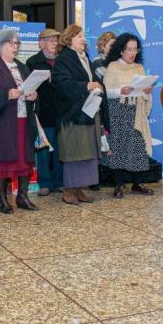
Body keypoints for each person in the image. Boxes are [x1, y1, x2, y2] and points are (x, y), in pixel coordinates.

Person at [0, 29, 39, 213]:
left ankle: (22, 196)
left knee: (24, 157)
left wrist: (34, 95)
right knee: (2, 160)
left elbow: (32, 87)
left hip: (23, 119)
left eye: (17, 44)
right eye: (12, 43)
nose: (16, 47)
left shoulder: (22, 66)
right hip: (3, 120)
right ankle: (2, 199)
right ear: (1, 44)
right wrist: (6, 94)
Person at [52, 24, 103, 204]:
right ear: (69, 39)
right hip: (71, 114)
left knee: (87, 151)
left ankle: (80, 189)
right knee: (74, 152)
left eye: (83, 36)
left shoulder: (84, 57)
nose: (83, 39)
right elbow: (61, 84)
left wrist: (97, 85)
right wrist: (86, 86)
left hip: (87, 111)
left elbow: (89, 79)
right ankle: (69, 190)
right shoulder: (64, 58)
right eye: (79, 36)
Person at [100, 33, 154, 198]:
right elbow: (106, 92)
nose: (132, 53)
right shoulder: (113, 67)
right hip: (118, 111)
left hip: (135, 112)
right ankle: (118, 185)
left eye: (135, 49)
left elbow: (145, 93)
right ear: (121, 50)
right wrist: (120, 91)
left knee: (138, 147)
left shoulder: (139, 68)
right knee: (117, 148)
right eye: (129, 49)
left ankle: (138, 184)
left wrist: (146, 92)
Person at [26, 28, 63, 196]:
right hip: (42, 112)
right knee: (43, 149)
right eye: (50, 40)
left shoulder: (63, 61)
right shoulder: (33, 62)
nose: (54, 44)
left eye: (56, 40)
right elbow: (29, 87)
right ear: (41, 43)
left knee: (60, 148)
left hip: (62, 112)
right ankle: (45, 183)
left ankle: (59, 182)